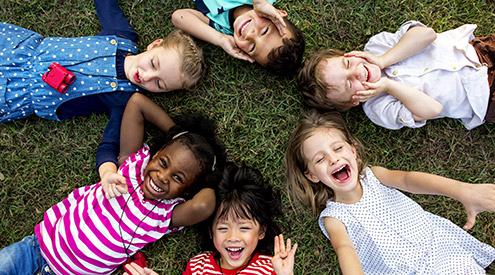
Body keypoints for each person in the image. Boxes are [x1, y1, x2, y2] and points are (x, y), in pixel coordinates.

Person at [0, 93, 226, 275]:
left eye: (178, 178)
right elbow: (137, 103)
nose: (162, 176)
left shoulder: (166, 215)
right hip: (35, 249)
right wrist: (178, 135)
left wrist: (213, 177)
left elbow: (203, 206)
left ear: (187, 190)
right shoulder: (132, 167)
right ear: (154, 155)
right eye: (163, 162)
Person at [0, 0, 206, 181]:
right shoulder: (122, 35)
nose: (147, 76)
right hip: (17, 51)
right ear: (155, 45)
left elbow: (109, 145)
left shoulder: (124, 101)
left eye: (159, 84)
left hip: (17, 92)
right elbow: (106, 4)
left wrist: (108, 173)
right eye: (153, 63)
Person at [284, 111, 495, 274]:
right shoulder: (334, 218)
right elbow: (345, 249)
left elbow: (408, 179)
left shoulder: (374, 177)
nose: (333, 159)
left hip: (442, 252)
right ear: (312, 176)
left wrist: (462, 190)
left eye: (338, 148)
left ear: (353, 151)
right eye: (320, 159)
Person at [297, 21, 495, 130]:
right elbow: (433, 109)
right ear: (352, 102)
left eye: (347, 63)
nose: (357, 71)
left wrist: (384, 60)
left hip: (478, 51)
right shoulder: (378, 108)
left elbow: (427, 35)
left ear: (349, 53)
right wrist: (388, 86)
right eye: (350, 83)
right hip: (483, 97)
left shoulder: (377, 46)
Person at [124, 164, 298, 275]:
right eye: (223, 228)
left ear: (261, 231)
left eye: (244, 228)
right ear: (211, 231)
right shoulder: (198, 265)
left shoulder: (270, 268)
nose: (233, 237)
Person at [171, 0, 305, 75]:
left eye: (252, 47)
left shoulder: (222, 28)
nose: (249, 35)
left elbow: (179, 17)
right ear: (277, 15)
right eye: (264, 31)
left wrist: (220, 39)